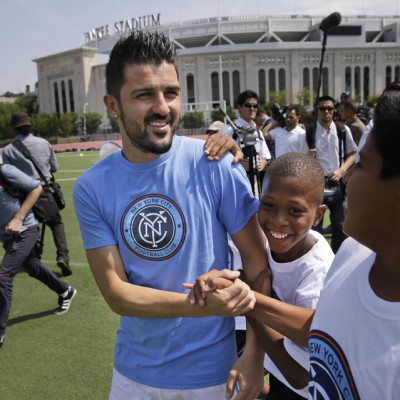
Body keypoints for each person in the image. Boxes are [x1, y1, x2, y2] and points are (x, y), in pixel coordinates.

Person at [73, 30, 268, 400]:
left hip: (213, 376)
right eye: (144, 94)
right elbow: (117, 294)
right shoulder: (91, 186)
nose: (163, 107)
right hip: (132, 376)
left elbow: (259, 268)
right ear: (113, 105)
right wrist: (202, 306)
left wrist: (255, 355)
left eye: (171, 93)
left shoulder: (215, 164)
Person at [194, 90, 400, 399]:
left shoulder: (321, 265)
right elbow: (321, 329)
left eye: (362, 165)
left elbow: (300, 368)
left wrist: (248, 301)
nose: (345, 179)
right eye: (269, 206)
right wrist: (228, 149)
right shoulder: (351, 254)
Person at [189, 152, 334, 399]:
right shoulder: (266, 243)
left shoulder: (316, 270)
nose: (278, 220)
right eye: (268, 205)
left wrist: (249, 301)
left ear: (318, 215)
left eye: (295, 210)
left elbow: (298, 375)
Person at [0, 163, 76, 348]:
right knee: (32, 267)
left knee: (3, 276)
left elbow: (36, 188)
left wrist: (18, 219)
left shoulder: (5, 171)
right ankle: (65, 291)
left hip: (25, 229)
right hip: (7, 235)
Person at [2, 112, 72, 276]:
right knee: (56, 223)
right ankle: (63, 256)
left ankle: (33, 258)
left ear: (14, 129)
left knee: (29, 227)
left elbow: (6, 173)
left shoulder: (9, 150)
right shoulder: (44, 143)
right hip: (45, 192)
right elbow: (54, 168)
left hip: (23, 195)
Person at [307, 95, 357, 253]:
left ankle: (338, 257)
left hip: (337, 182)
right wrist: (308, 156)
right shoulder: (309, 132)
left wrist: (342, 170)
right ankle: (319, 256)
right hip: (317, 183)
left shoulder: (342, 129)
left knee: (340, 226)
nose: (326, 112)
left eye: (329, 108)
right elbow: (300, 159)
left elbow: (353, 154)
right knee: (315, 226)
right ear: (317, 111)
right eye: (322, 108)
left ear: (334, 110)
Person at [222, 90, 272, 195]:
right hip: (234, 185)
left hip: (256, 185)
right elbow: (220, 159)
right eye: (248, 105)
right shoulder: (229, 130)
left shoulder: (258, 132)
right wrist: (236, 164)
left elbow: (267, 159)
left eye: (255, 106)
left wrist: (263, 164)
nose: (252, 109)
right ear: (239, 107)